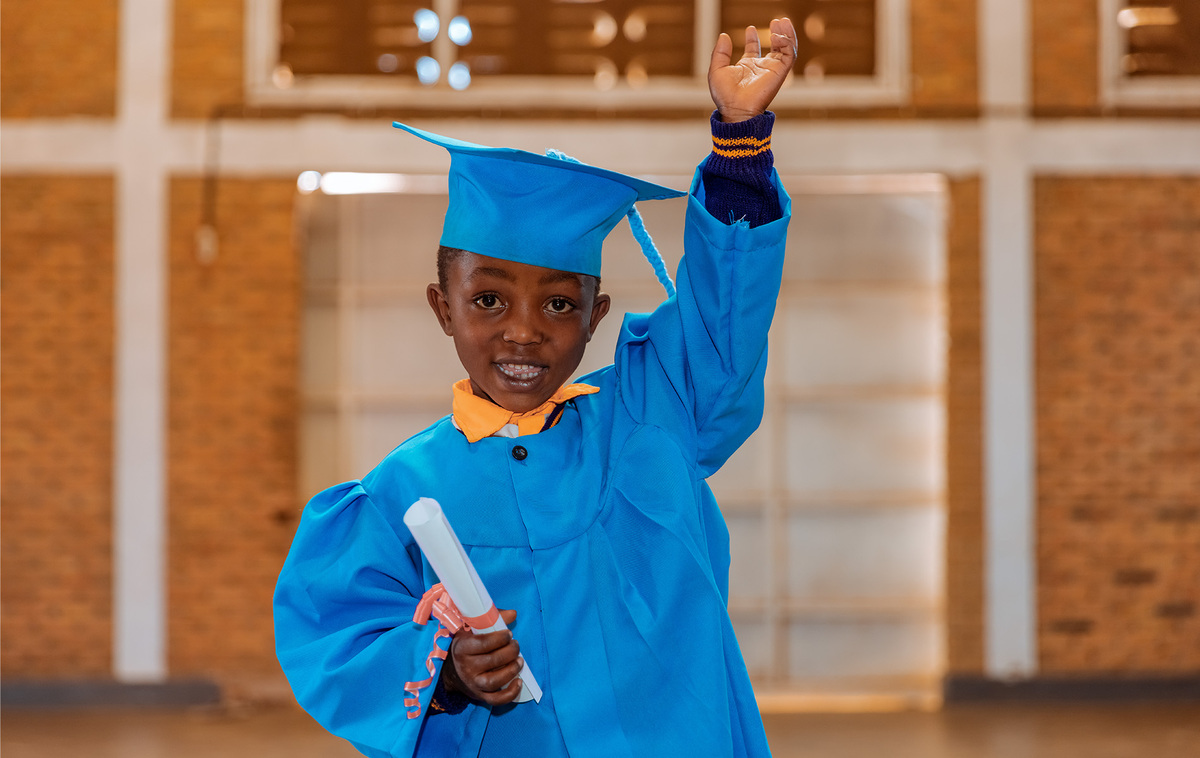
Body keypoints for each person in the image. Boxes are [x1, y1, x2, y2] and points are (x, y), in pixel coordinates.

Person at [275, 17, 796, 758]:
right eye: (489, 300)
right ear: (442, 307)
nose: (524, 333)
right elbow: (340, 639)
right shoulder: (400, 493)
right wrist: (449, 673)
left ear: (595, 318)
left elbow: (723, 326)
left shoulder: (652, 420)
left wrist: (740, 143)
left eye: (559, 304)